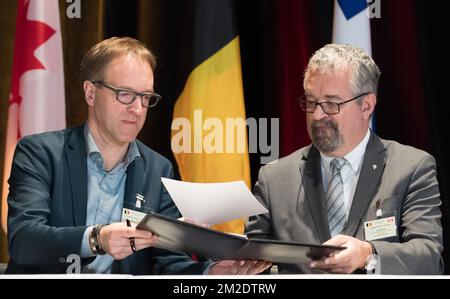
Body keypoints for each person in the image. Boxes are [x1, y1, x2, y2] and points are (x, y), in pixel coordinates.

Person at [6, 37, 271, 275]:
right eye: (125, 94)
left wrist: (210, 273)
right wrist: (97, 239)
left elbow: (167, 259)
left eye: (146, 97)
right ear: (90, 93)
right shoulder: (40, 153)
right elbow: (24, 240)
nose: (137, 109)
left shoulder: (157, 168)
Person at [245, 44, 443, 274]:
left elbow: (428, 257)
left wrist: (368, 254)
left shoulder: (411, 168)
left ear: (366, 106)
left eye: (331, 104)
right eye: (311, 102)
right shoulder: (274, 178)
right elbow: (252, 263)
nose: (317, 115)